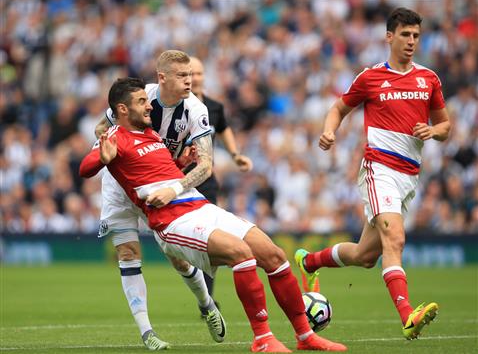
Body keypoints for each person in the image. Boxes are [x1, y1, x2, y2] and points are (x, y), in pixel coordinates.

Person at [80, 77, 347, 353]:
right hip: (173, 221)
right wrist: (101, 158)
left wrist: (180, 164)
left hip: (200, 206)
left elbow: (156, 170)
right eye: (141, 102)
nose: (149, 107)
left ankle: (305, 336)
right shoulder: (114, 137)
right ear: (123, 110)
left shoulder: (151, 134)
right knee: (241, 254)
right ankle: (263, 339)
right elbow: (85, 168)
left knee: (274, 255)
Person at [294, 7, 451, 341]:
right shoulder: (370, 77)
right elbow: (339, 108)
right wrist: (329, 131)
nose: (411, 42)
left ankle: (309, 262)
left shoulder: (429, 78)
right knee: (396, 239)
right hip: (379, 168)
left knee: (366, 256)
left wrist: (433, 132)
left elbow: (446, 125)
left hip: (409, 176)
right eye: (405, 35)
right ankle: (408, 316)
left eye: (416, 36)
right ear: (389, 37)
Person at [94, 50, 224, 350]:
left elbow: (206, 165)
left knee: (176, 255)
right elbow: (102, 128)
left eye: (190, 74)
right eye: (183, 75)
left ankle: (206, 304)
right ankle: (147, 332)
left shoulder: (195, 109)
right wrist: (107, 151)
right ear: (162, 78)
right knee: (127, 254)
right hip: (120, 187)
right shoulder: (141, 97)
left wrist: (175, 183)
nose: (190, 80)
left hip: (161, 188)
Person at [188, 56, 253, 307]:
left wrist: (236, 155)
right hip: (179, 182)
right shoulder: (178, 109)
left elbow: (224, 128)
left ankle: (208, 300)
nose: (194, 78)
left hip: (205, 182)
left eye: (199, 73)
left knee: (210, 241)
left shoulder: (214, 107)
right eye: (190, 74)